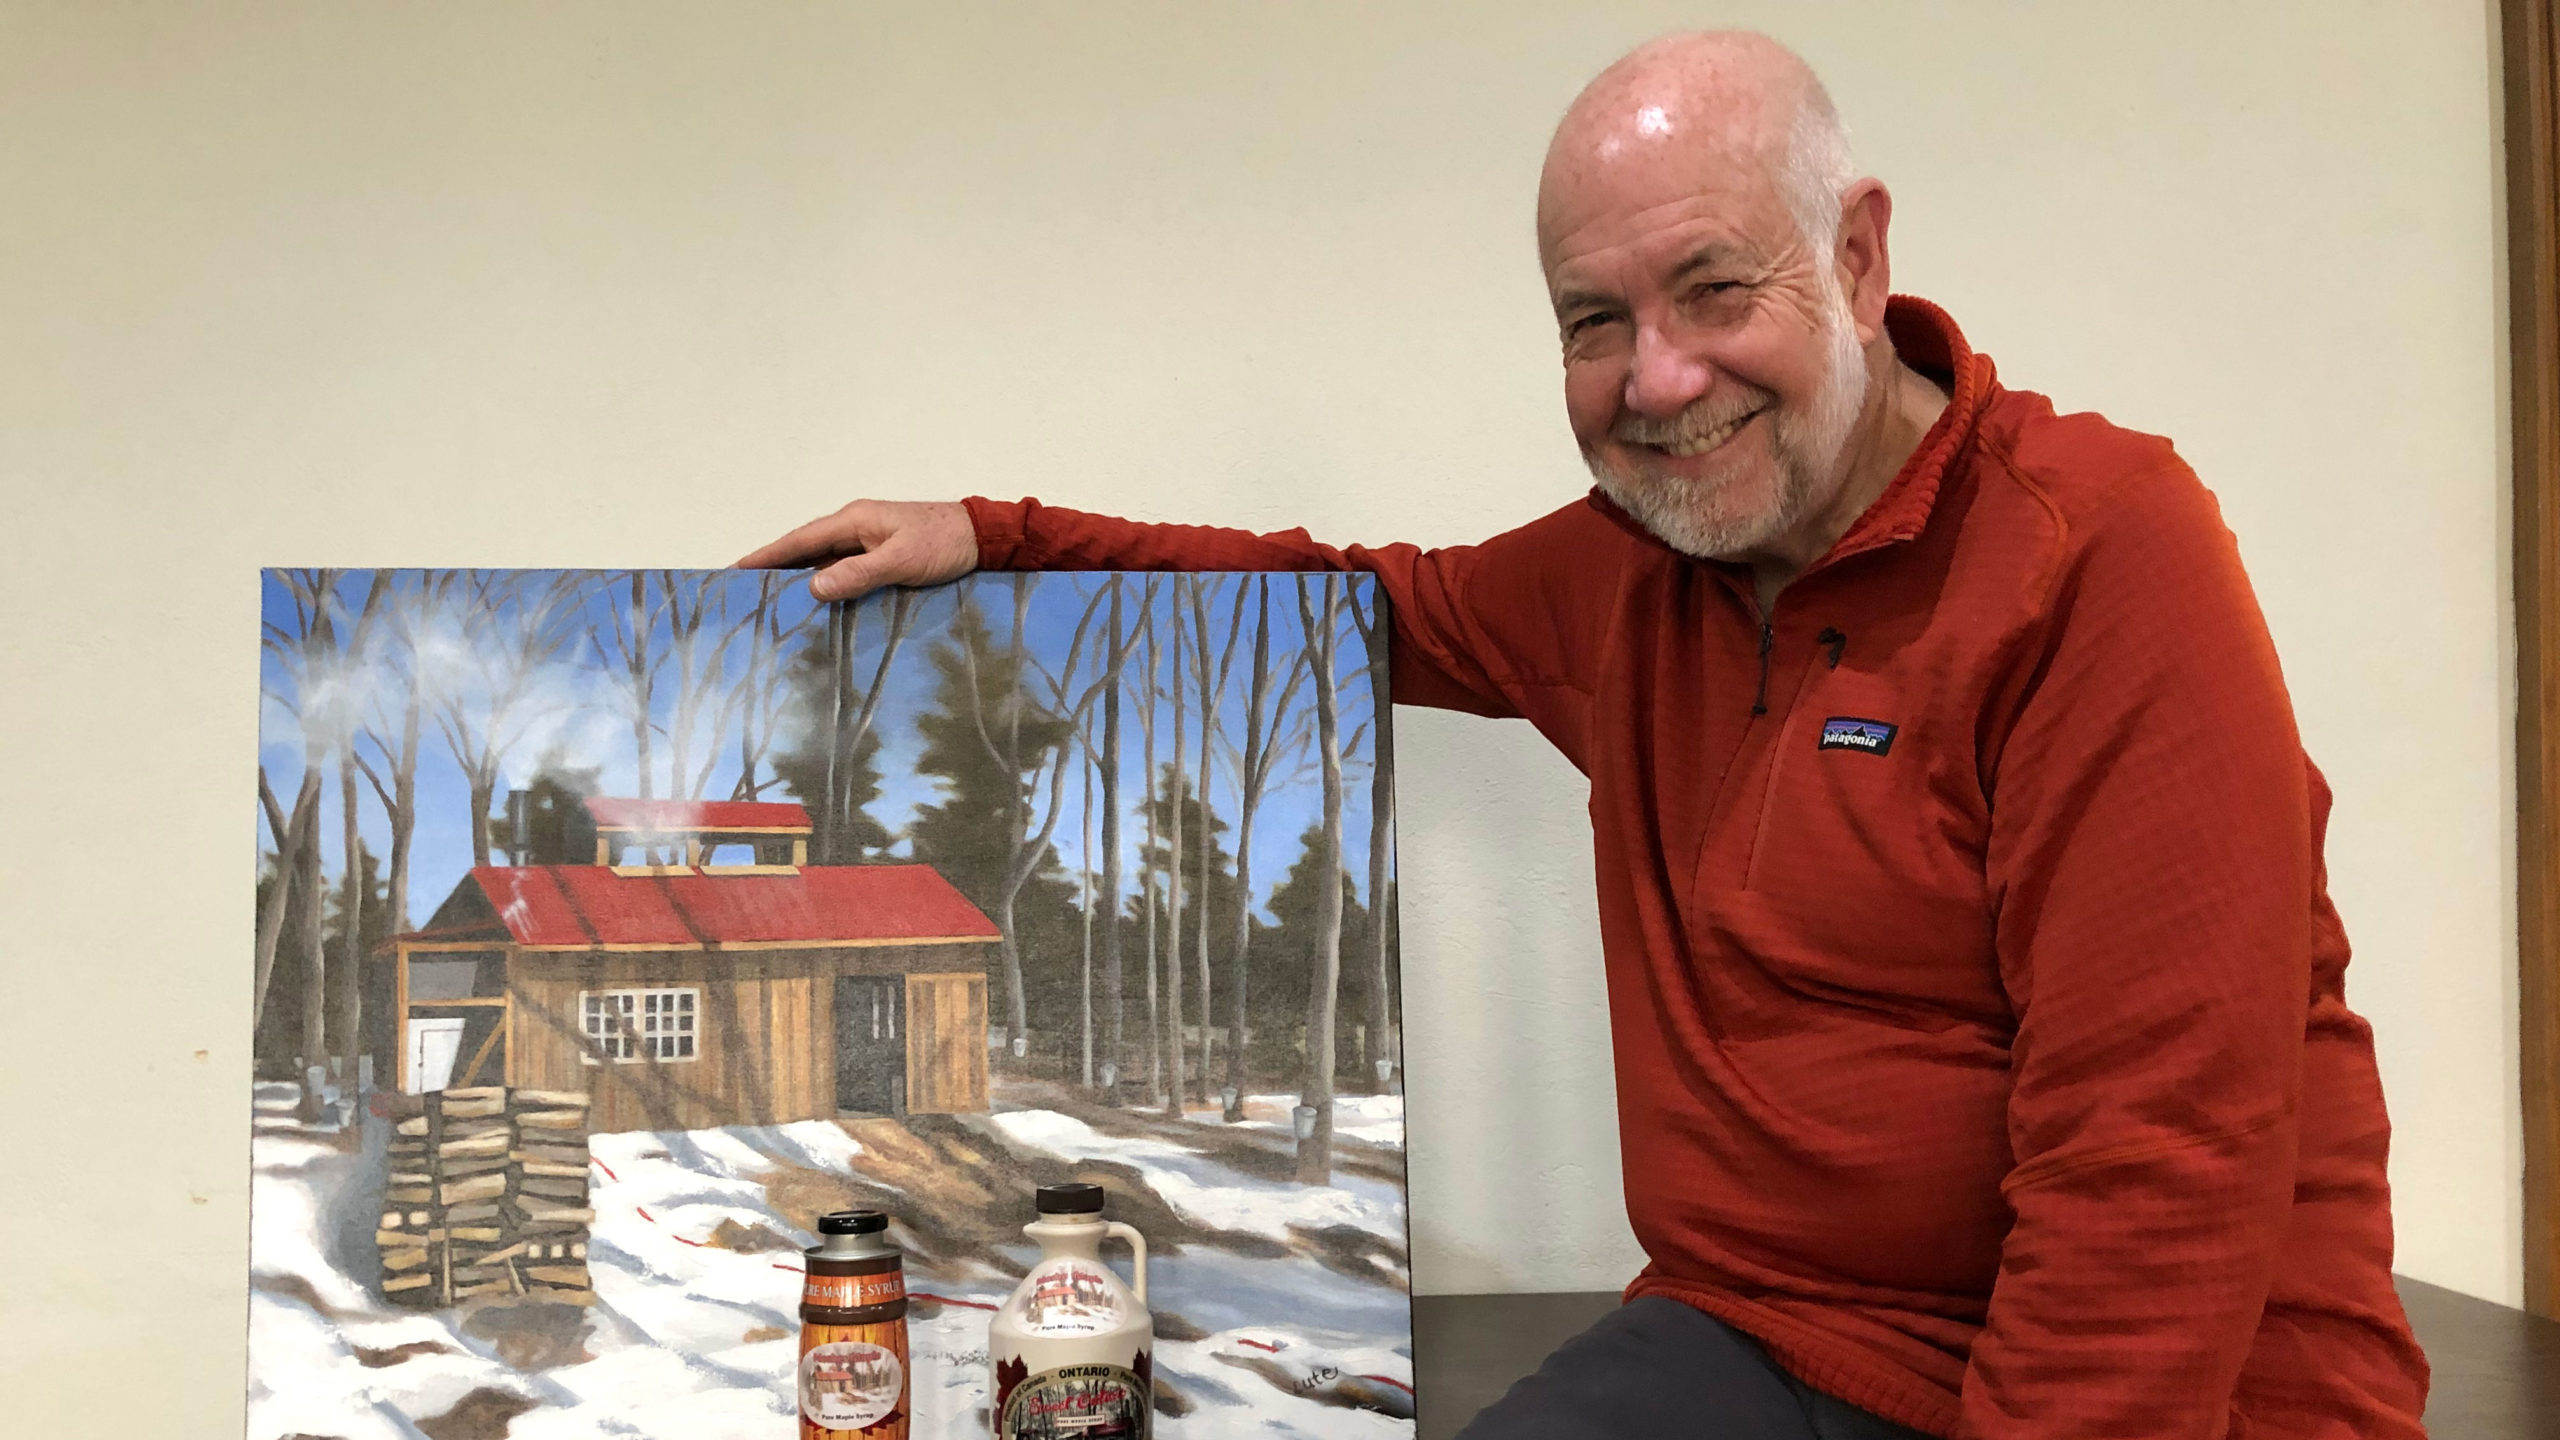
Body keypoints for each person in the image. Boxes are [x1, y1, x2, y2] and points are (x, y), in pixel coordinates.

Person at [742, 29, 2431, 1440]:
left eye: (1713, 288)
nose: (1658, 377)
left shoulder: (2102, 555)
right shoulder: (1628, 575)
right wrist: (996, 535)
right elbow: (1343, 601)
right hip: (1772, 1341)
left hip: (2190, 1382)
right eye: (1594, 321)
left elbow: (2158, 1181)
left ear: (1855, 258)